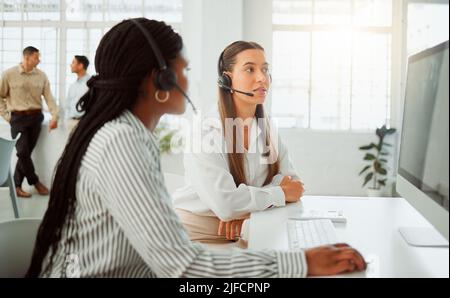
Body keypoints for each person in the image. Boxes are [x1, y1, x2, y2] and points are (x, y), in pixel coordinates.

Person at [26, 18, 366, 278]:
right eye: (183, 70)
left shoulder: (129, 135)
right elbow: (185, 267)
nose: (188, 81)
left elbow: (287, 183)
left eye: (265, 70)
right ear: (160, 80)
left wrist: (247, 210)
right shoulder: (122, 142)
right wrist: (301, 263)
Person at [172, 41, 303, 247]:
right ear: (227, 79)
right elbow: (226, 204)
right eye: (250, 69)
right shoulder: (205, 132)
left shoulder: (267, 130)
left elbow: (294, 185)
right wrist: (279, 192)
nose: (262, 78)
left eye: (265, 69)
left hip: (245, 231)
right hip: (192, 238)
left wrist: (244, 214)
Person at [0, 46, 59, 198]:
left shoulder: (42, 76)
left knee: (24, 154)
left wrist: (55, 116)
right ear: (27, 57)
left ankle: (17, 186)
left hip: (35, 118)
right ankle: (35, 181)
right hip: (17, 119)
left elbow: (49, 98)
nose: (39, 60)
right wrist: (7, 116)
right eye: (36, 57)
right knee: (22, 152)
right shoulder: (8, 74)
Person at [65, 55, 90, 133]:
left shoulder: (90, 84)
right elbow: (68, 105)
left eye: (73, 62)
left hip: (84, 124)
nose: (71, 65)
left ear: (80, 66)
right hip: (71, 123)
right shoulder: (72, 86)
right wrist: (67, 120)